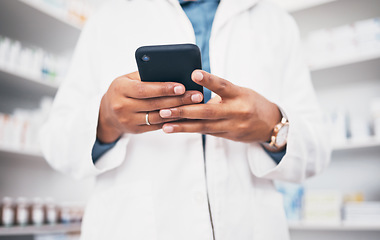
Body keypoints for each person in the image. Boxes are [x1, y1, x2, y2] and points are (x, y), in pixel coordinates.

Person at [40, 0, 331, 239]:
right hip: (134, 228)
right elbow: (56, 145)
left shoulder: (276, 23)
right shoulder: (107, 20)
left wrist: (272, 124)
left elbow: (318, 151)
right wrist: (105, 120)